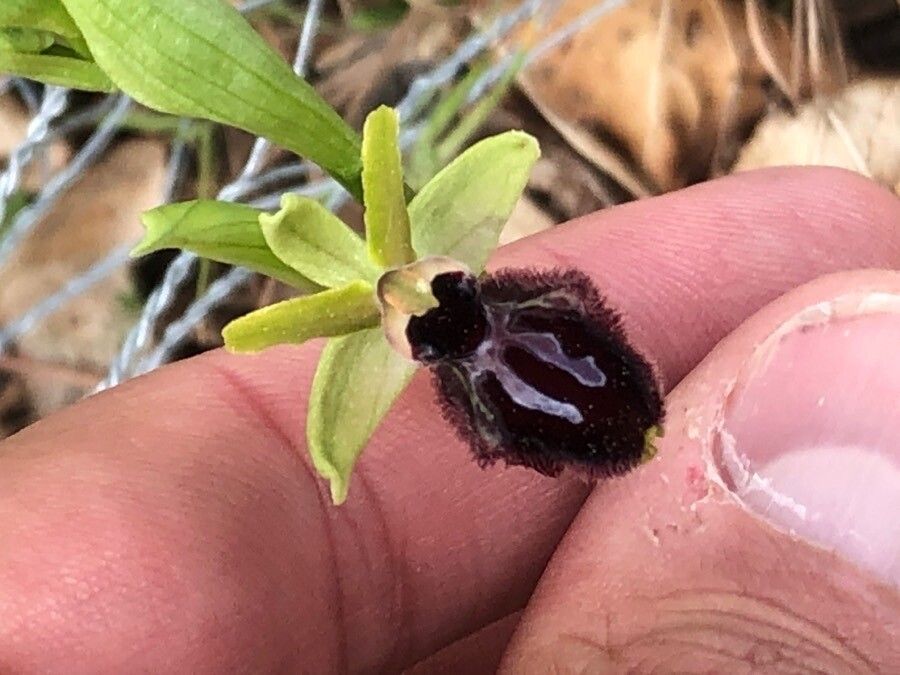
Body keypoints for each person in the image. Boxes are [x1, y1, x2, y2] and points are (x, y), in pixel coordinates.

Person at [0, 167, 897, 673]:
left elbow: (497, 164)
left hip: (508, 340)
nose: (431, 307)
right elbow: (331, 443)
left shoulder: (444, 290)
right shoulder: (370, 350)